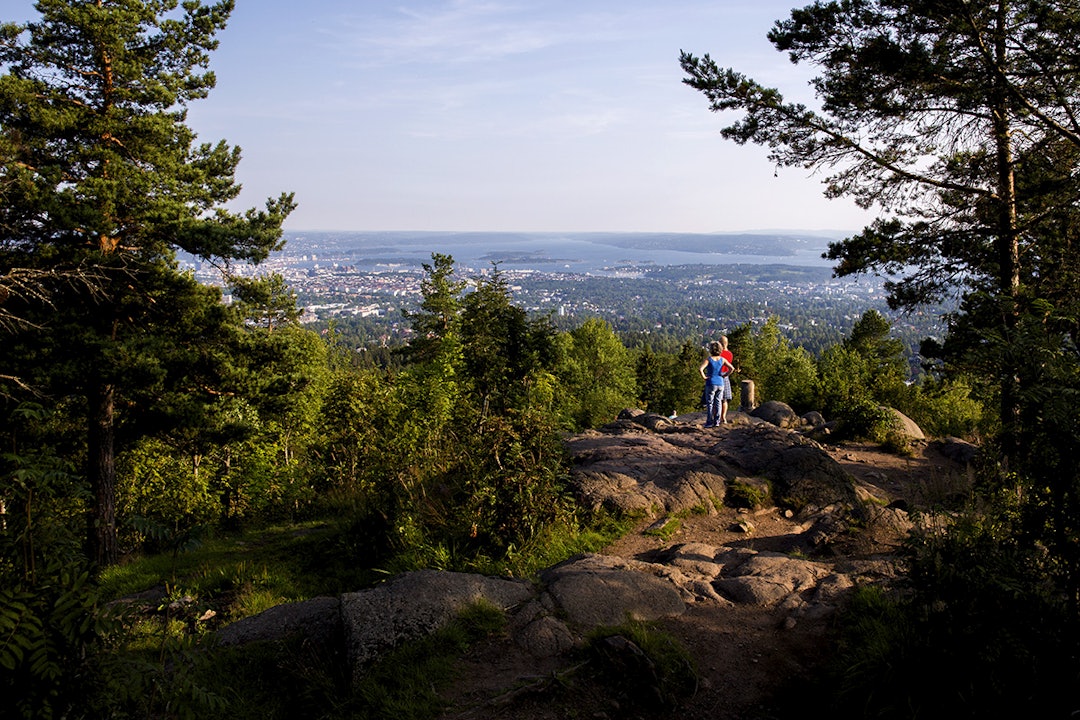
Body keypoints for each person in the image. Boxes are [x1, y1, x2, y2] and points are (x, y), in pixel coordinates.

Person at [699, 340, 734, 428]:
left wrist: (704, 377)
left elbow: (701, 369)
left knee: (710, 403)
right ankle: (717, 421)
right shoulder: (722, 359)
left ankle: (709, 422)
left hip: (711, 383)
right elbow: (731, 368)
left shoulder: (709, 359)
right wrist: (725, 375)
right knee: (718, 402)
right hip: (720, 383)